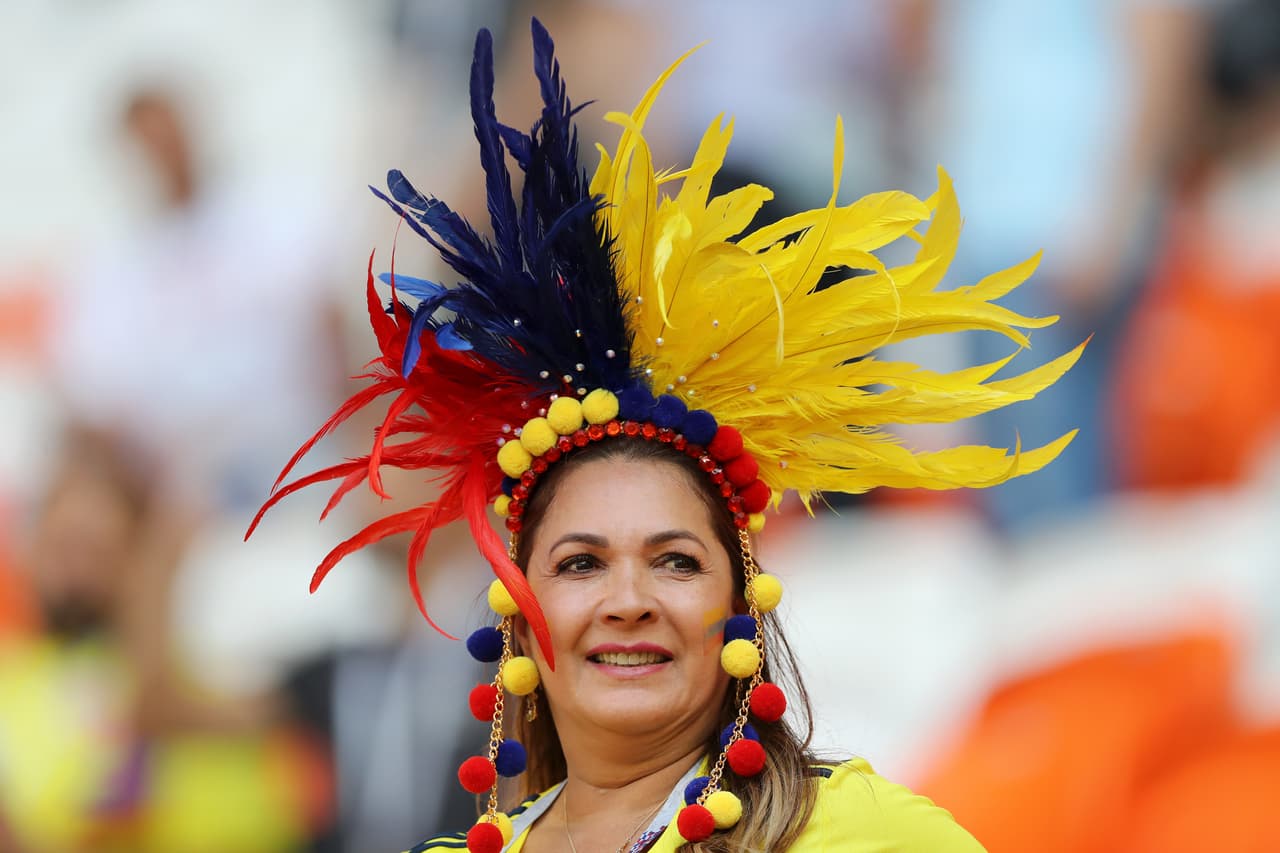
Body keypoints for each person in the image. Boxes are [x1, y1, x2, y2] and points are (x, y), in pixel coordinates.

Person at [253, 19, 1080, 852]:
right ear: (517, 608)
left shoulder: (868, 834)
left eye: (677, 560)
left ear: (741, 598)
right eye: (580, 562)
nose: (628, 600)